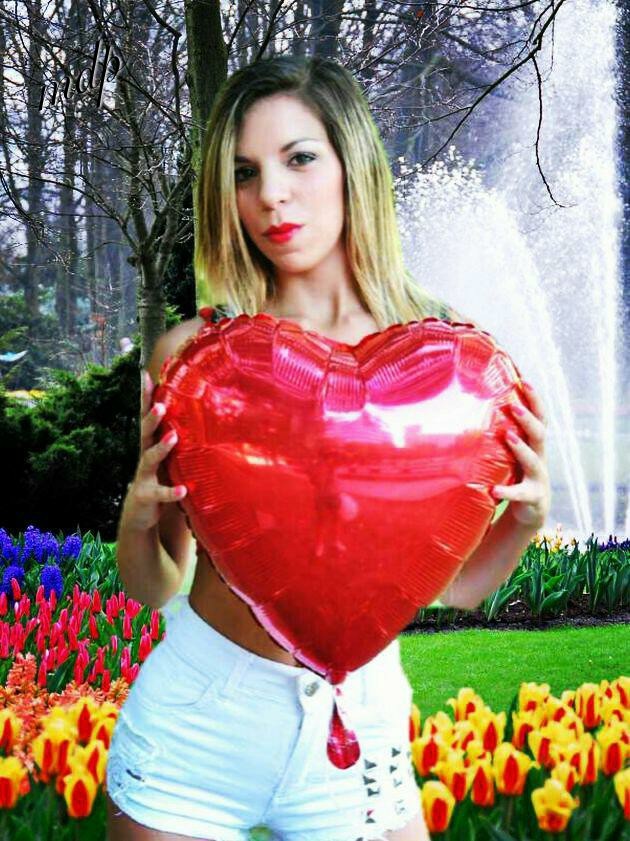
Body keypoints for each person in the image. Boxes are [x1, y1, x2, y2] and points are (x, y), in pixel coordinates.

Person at [106, 54, 551, 841]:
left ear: (353, 164)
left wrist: (524, 517)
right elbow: (157, 583)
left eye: (299, 158)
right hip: (197, 729)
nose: (271, 195)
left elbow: (456, 590)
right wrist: (138, 518)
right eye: (244, 172)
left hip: (362, 729)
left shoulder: (452, 365)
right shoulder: (198, 359)